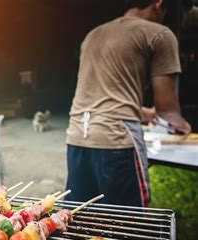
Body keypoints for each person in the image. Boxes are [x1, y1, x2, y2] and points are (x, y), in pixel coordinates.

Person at [65, 0, 191, 207]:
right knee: (128, 224)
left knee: (80, 217)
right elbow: (168, 112)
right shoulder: (159, 34)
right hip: (116, 140)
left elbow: (100, 99)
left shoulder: (93, 35)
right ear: (158, 5)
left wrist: (143, 113)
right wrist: (183, 125)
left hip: (77, 137)